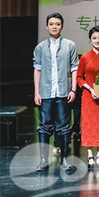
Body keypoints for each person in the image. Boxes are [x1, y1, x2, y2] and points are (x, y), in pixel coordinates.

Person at [33, 13, 79, 172]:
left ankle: (64, 159)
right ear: (47, 26)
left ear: (62, 26)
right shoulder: (40, 47)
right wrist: (36, 92)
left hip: (63, 92)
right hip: (46, 92)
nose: (54, 26)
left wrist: (73, 89)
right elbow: (37, 70)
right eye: (51, 24)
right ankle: (43, 160)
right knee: (44, 126)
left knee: (64, 127)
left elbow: (74, 69)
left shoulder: (69, 45)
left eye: (57, 24)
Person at [77, 26, 99, 169]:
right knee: (89, 125)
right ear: (90, 40)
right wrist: (90, 89)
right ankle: (90, 154)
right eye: (94, 38)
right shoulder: (85, 57)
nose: (97, 41)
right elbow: (79, 77)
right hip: (88, 96)